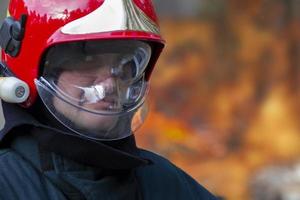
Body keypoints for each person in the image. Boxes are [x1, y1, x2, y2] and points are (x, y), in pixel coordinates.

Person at [0, 0, 218, 199]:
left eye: (125, 65)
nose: (110, 85)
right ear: (33, 67)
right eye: (87, 59)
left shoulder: (164, 183)